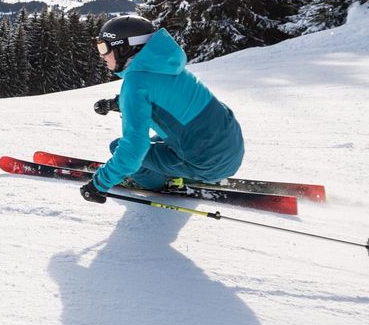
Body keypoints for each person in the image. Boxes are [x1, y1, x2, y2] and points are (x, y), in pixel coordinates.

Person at [80, 15, 245, 204]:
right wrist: (115, 104)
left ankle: (157, 183)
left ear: (123, 48)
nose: (101, 55)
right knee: (151, 142)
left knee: (120, 148)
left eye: (104, 47)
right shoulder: (165, 65)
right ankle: (180, 169)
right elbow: (161, 98)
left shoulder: (136, 83)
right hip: (228, 144)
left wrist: (98, 184)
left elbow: (133, 149)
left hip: (208, 163)